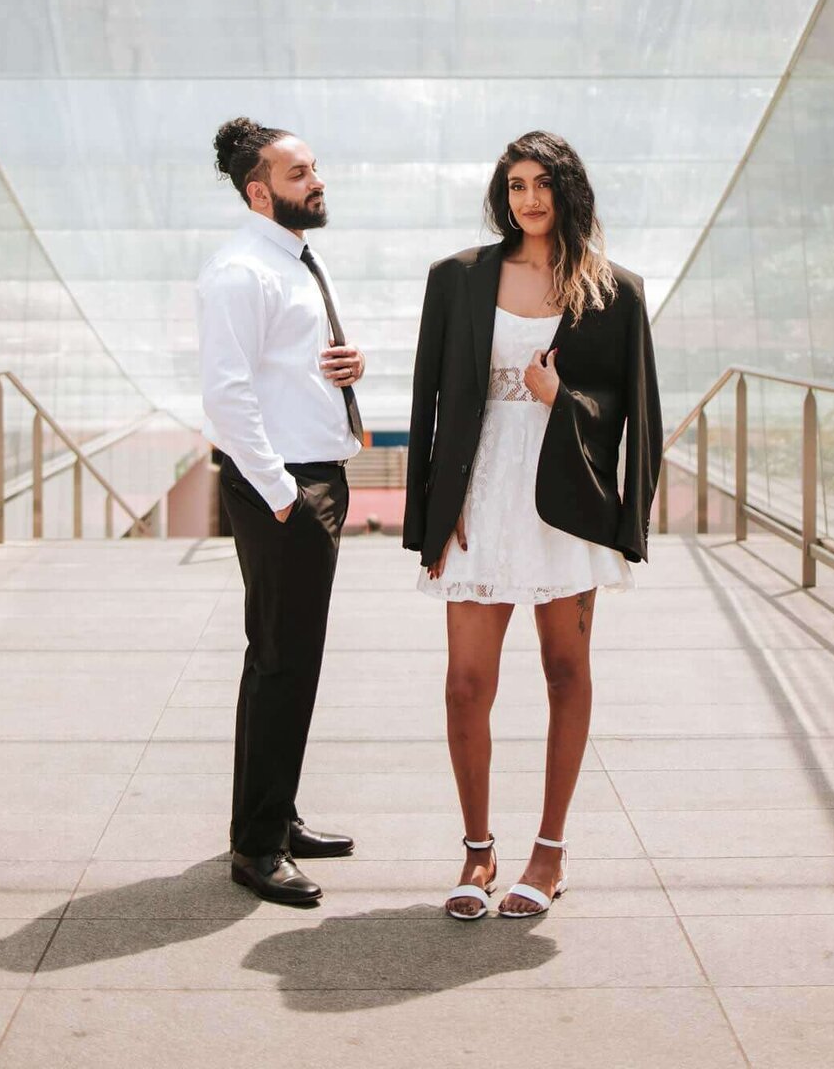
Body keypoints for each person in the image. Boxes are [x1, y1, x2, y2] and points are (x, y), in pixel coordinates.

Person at [403, 131, 661, 919]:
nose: (528, 198)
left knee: (563, 671)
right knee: (465, 685)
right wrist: (428, 520)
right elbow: (428, 406)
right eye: (515, 184)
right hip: (479, 500)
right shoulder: (457, 279)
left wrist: (563, 405)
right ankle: (477, 851)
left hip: (567, 507)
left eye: (543, 183)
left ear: (568, 190)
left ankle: (548, 851)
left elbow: (640, 414)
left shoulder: (612, 289)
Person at [197, 117, 366, 908]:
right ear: (258, 190)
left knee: (285, 660)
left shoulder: (293, 259)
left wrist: (347, 366)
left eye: (315, 168)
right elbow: (226, 396)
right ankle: (257, 848)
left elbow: (278, 371)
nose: (317, 181)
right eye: (300, 174)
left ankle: (276, 816)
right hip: (282, 488)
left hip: (310, 475)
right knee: (281, 662)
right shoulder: (241, 271)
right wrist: (283, 496)